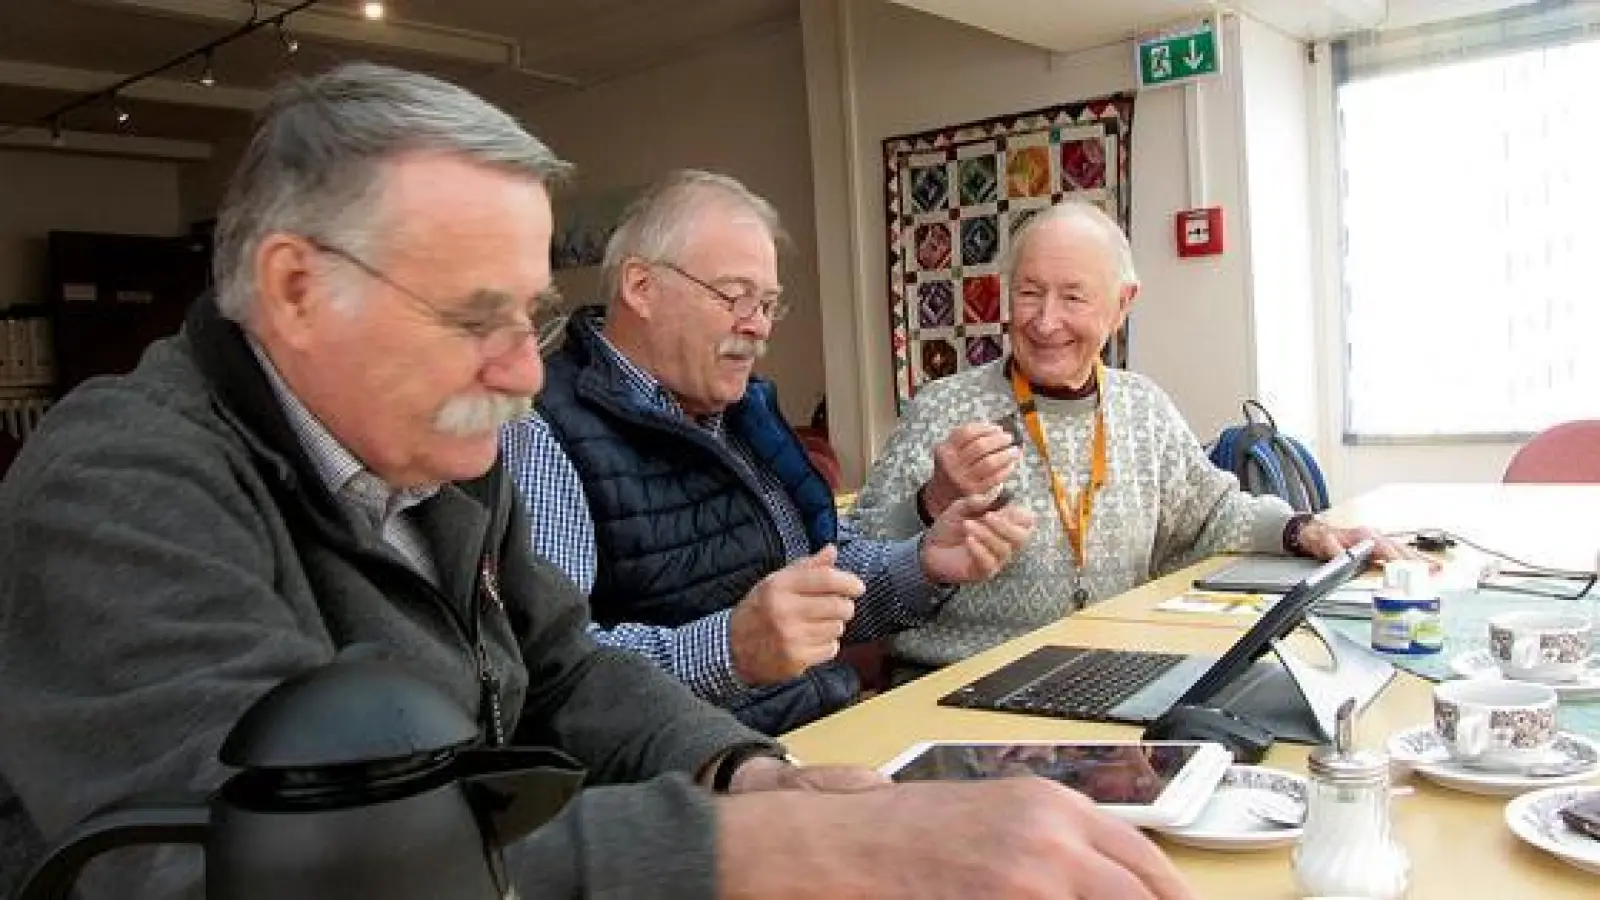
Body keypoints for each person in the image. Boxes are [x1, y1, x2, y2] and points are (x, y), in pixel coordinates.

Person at [0, 65, 1195, 900]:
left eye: (529, 316)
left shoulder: (439, 455)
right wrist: (795, 853)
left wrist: (756, 779)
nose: (526, 372)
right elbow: (260, 862)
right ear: (298, 289)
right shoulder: (121, 483)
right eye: (477, 318)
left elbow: (569, 672)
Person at [501, 170, 1037, 734]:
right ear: (640, 287)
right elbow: (553, 676)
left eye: (769, 304)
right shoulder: (543, 433)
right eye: (735, 296)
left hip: (824, 730)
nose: (757, 327)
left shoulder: (741, 413)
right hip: (701, 777)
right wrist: (733, 648)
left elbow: (824, 576)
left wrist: (925, 562)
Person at [849, 202, 1410, 679]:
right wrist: (933, 503)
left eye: (1073, 297)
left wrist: (1302, 529)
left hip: (1109, 668)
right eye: (1029, 293)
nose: (1046, 321)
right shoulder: (943, 408)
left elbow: (1211, 513)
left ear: (1122, 304)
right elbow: (859, 562)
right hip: (959, 682)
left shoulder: (1142, 406)